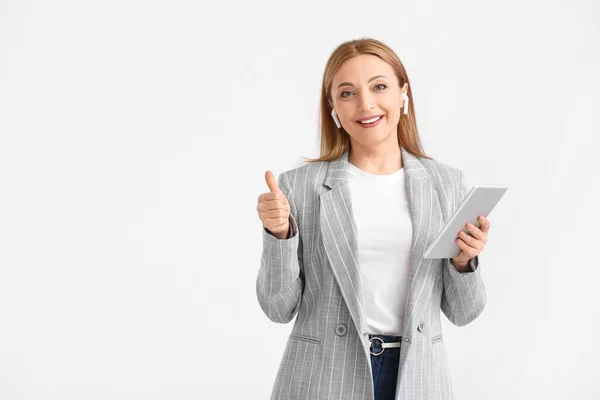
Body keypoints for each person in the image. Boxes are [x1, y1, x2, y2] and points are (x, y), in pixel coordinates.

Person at [255, 37, 490, 400]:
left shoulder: (446, 183)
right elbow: (277, 307)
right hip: (323, 379)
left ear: (403, 94)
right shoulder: (299, 187)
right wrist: (280, 234)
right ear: (332, 107)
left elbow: (463, 312)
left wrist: (463, 262)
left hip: (417, 379)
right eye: (347, 93)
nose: (366, 104)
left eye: (379, 86)